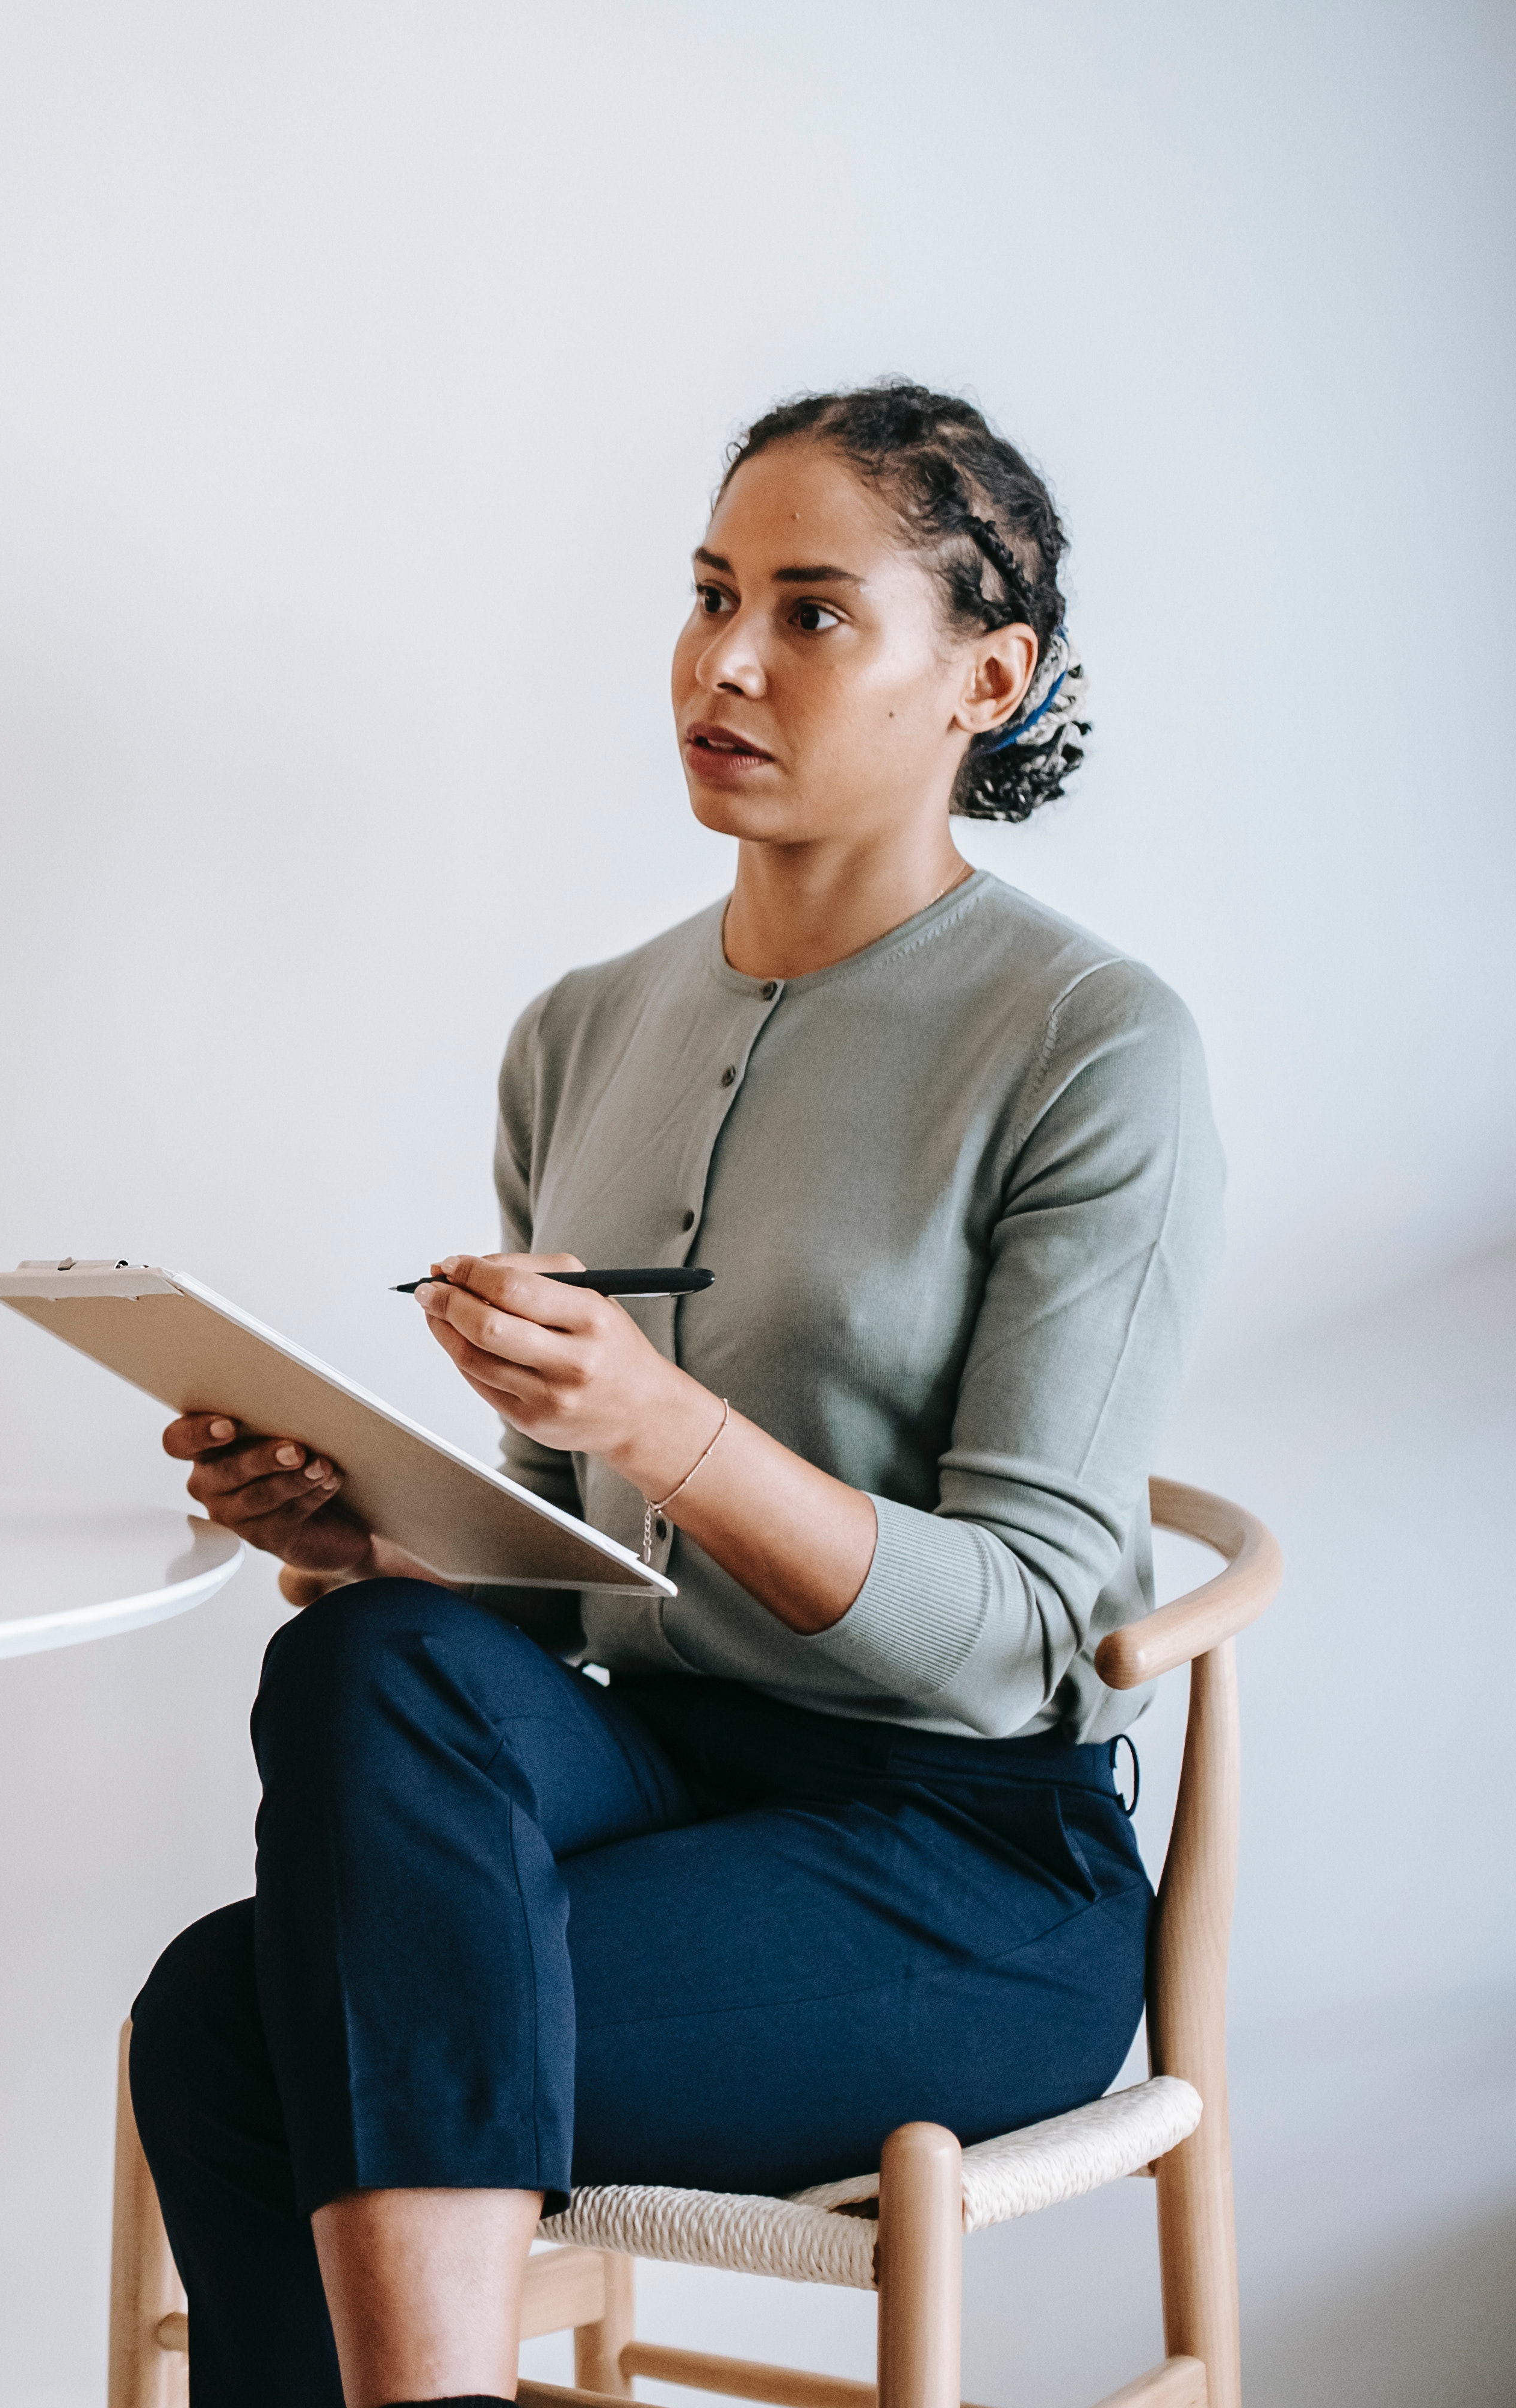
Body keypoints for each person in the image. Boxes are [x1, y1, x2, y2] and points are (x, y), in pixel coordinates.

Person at [125, 385, 1213, 2407]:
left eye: (813, 614)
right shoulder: (584, 1032)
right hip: (672, 1775)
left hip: (966, 1869)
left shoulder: (1091, 1045)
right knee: (368, 1663)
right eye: (711, 595)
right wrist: (370, 1532)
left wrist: (673, 1432)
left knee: (232, 2018)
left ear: (990, 677)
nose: (724, 660)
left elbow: (1026, 1638)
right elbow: (566, 1603)